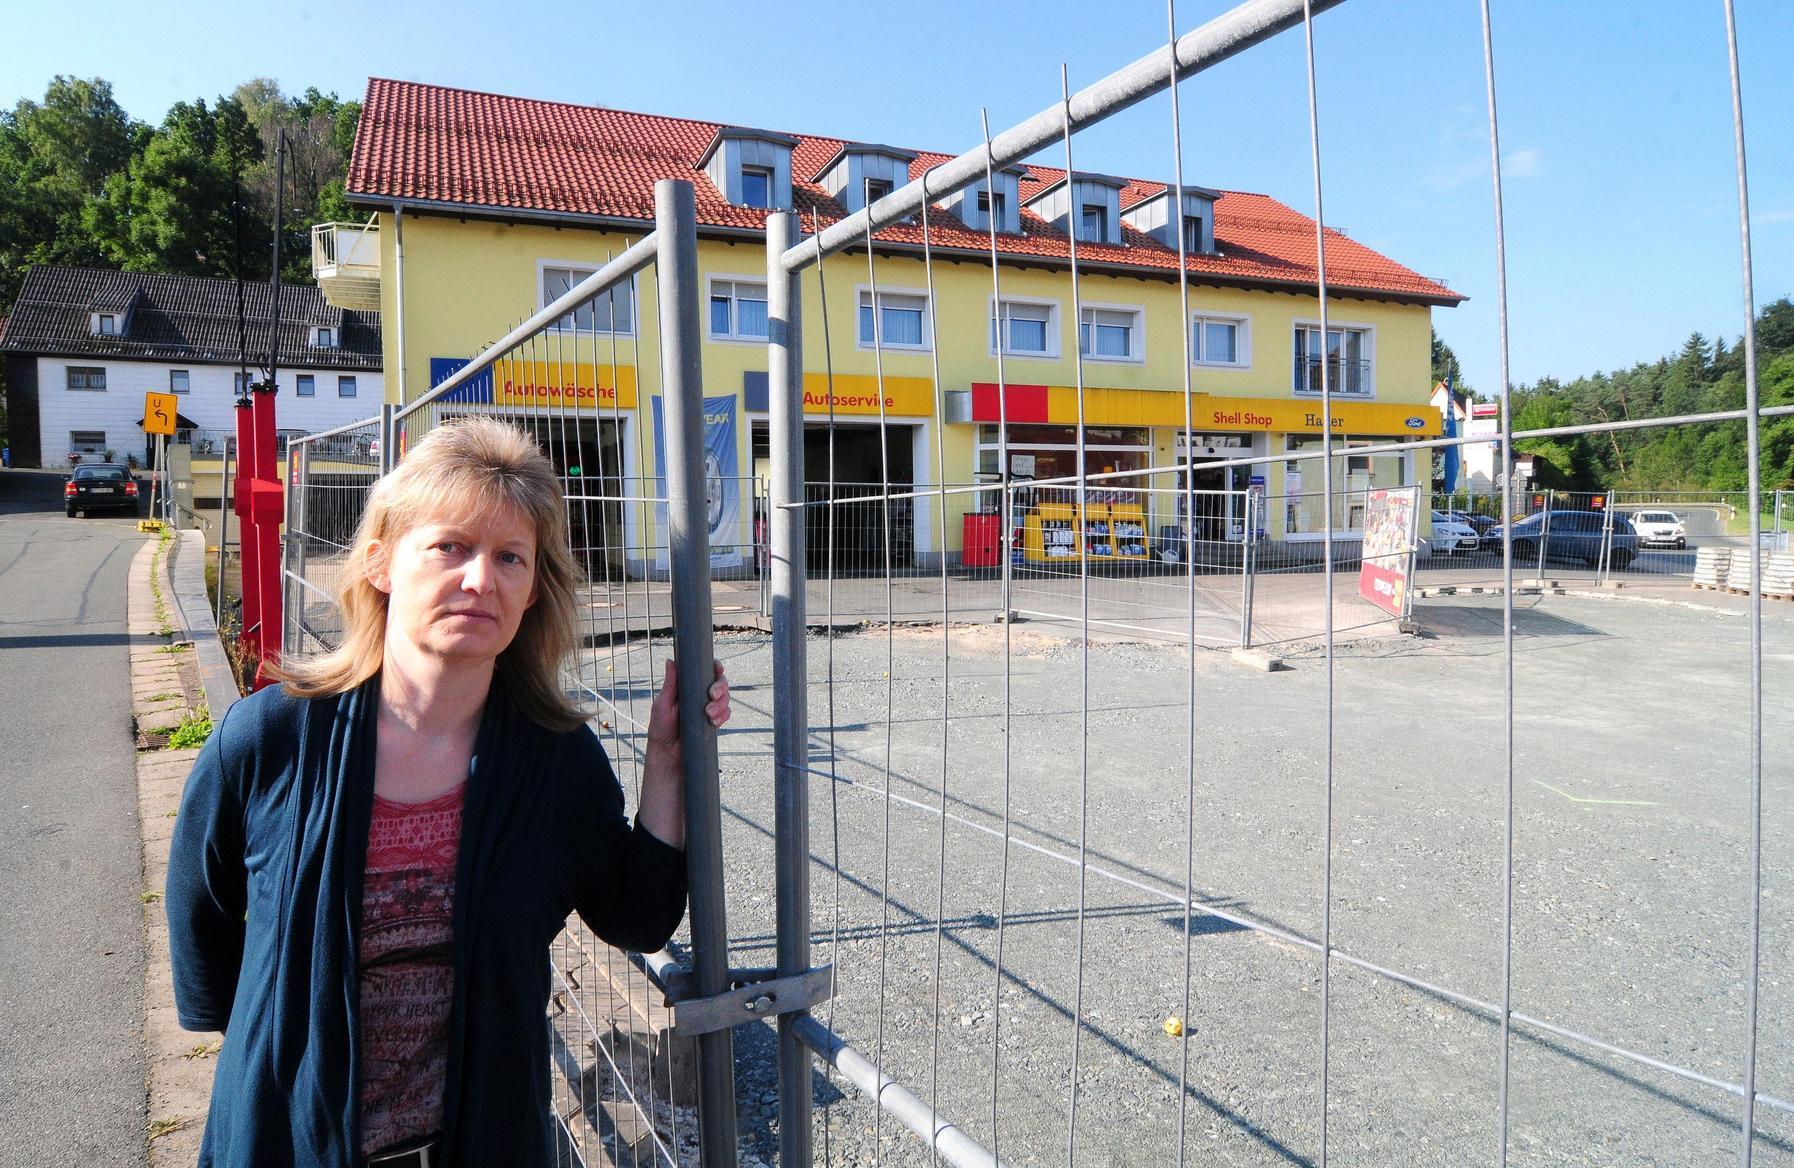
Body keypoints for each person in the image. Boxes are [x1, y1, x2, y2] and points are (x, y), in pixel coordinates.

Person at [166, 416, 730, 1167]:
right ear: (381, 562)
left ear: (532, 591)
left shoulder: (555, 763)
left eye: (510, 557)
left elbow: (639, 916)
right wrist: (269, 1045)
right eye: (450, 547)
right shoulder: (271, 737)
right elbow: (199, 908)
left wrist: (667, 762)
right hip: (286, 1142)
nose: (479, 580)